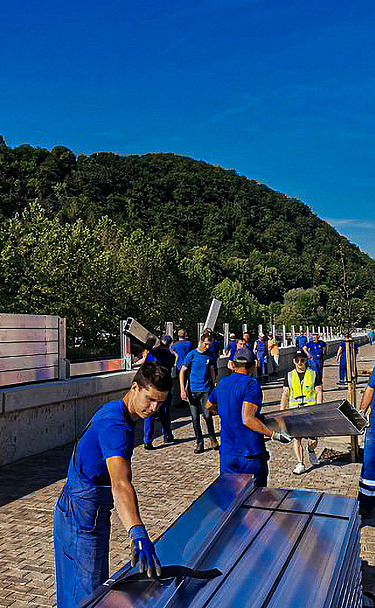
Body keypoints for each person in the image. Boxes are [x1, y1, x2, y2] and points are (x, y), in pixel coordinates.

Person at [54, 363, 172, 608]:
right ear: (134, 387)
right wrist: (137, 532)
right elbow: (120, 483)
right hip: (81, 513)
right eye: (150, 399)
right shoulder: (115, 424)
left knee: (88, 586)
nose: (153, 409)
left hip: (88, 507)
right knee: (85, 596)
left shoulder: (121, 412)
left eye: (160, 403)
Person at [206, 349, 291, 487]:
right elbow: (248, 419)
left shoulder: (221, 383)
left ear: (232, 364)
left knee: (231, 497)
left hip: (228, 454)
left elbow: (208, 405)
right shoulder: (251, 385)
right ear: (254, 365)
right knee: (255, 499)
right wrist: (274, 435)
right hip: (250, 454)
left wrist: (225, 412)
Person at [280, 349, 323, 475]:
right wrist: (282, 411)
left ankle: (310, 450)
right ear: (294, 361)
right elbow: (285, 393)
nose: (300, 362)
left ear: (306, 360)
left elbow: (319, 391)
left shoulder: (314, 374)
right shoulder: (289, 375)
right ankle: (300, 463)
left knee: (313, 440)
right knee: (296, 438)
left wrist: (319, 408)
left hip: (310, 410)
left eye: (302, 360)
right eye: (297, 360)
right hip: (295, 411)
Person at [180, 333, 219, 453]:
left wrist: (214, 383)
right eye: (206, 344)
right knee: (195, 418)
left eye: (209, 344)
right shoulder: (191, 355)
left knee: (207, 416)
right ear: (201, 341)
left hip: (206, 390)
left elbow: (212, 370)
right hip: (193, 391)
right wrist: (182, 389)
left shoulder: (209, 355)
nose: (207, 346)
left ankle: (213, 439)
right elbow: (182, 372)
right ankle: (199, 442)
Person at [142, 336, 176, 449]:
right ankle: (167, 436)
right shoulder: (170, 356)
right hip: (164, 388)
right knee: (165, 413)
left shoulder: (151, 354)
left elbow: (145, 367)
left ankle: (147, 440)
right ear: (169, 344)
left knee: (150, 413)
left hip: (151, 387)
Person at [358, 366, 375, 518]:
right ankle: (366, 503)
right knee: (369, 463)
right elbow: (370, 388)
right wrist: (362, 412)